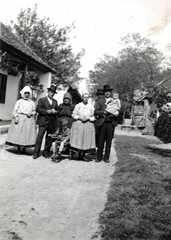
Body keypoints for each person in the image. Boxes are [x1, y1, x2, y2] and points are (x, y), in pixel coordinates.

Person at [6, 86, 37, 154]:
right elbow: (15, 111)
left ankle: (24, 149)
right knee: (19, 133)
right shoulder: (19, 102)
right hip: (20, 118)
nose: (27, 94)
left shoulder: (31, 103)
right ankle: (19, 148)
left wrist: (31, 113)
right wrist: (16, 116)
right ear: (23, 93)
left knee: (26, 134)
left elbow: (34, 111)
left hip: (28, 119)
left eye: (28, 93)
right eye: (25, 93)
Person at [33, 84, 58, 159]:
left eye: (53, 92)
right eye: (51, 92)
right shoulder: (42, 100)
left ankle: (46, 152)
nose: (52, 93)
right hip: (43, 121)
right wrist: (47, 111)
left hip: (51, 122)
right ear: (48, 92)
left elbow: (57, 111)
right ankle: (36, 153)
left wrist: (55, 111)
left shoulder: (55, 102)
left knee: (49, 138)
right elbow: (38, 109)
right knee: (39, 137)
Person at [94, 84, 118, 163]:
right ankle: (99, 157)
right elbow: (95, 111)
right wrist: (103, 112)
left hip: (111, 123)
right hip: (102, 123)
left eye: (109, 92)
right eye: (106, 92)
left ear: (110, 93)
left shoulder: (114, 101)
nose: (107, 93)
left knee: (109, 141)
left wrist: (114, 113)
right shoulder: (100, 101)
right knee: (101, 140)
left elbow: (118, 110)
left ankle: (106, 157)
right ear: (104, 93)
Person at [69, 92, 96, 161]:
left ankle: (83, 155)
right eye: (84, 97)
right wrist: (79, 118)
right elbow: (73, 114)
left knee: (85, 140)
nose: (86, 98)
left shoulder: (91, 106)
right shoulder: (78, 106)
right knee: (79, 138)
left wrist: (89, 118)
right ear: (82, 98)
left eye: (87, 97)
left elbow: (94, 116)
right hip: (79, 123)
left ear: (88, 99)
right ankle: (78, 155)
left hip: (87, 124)